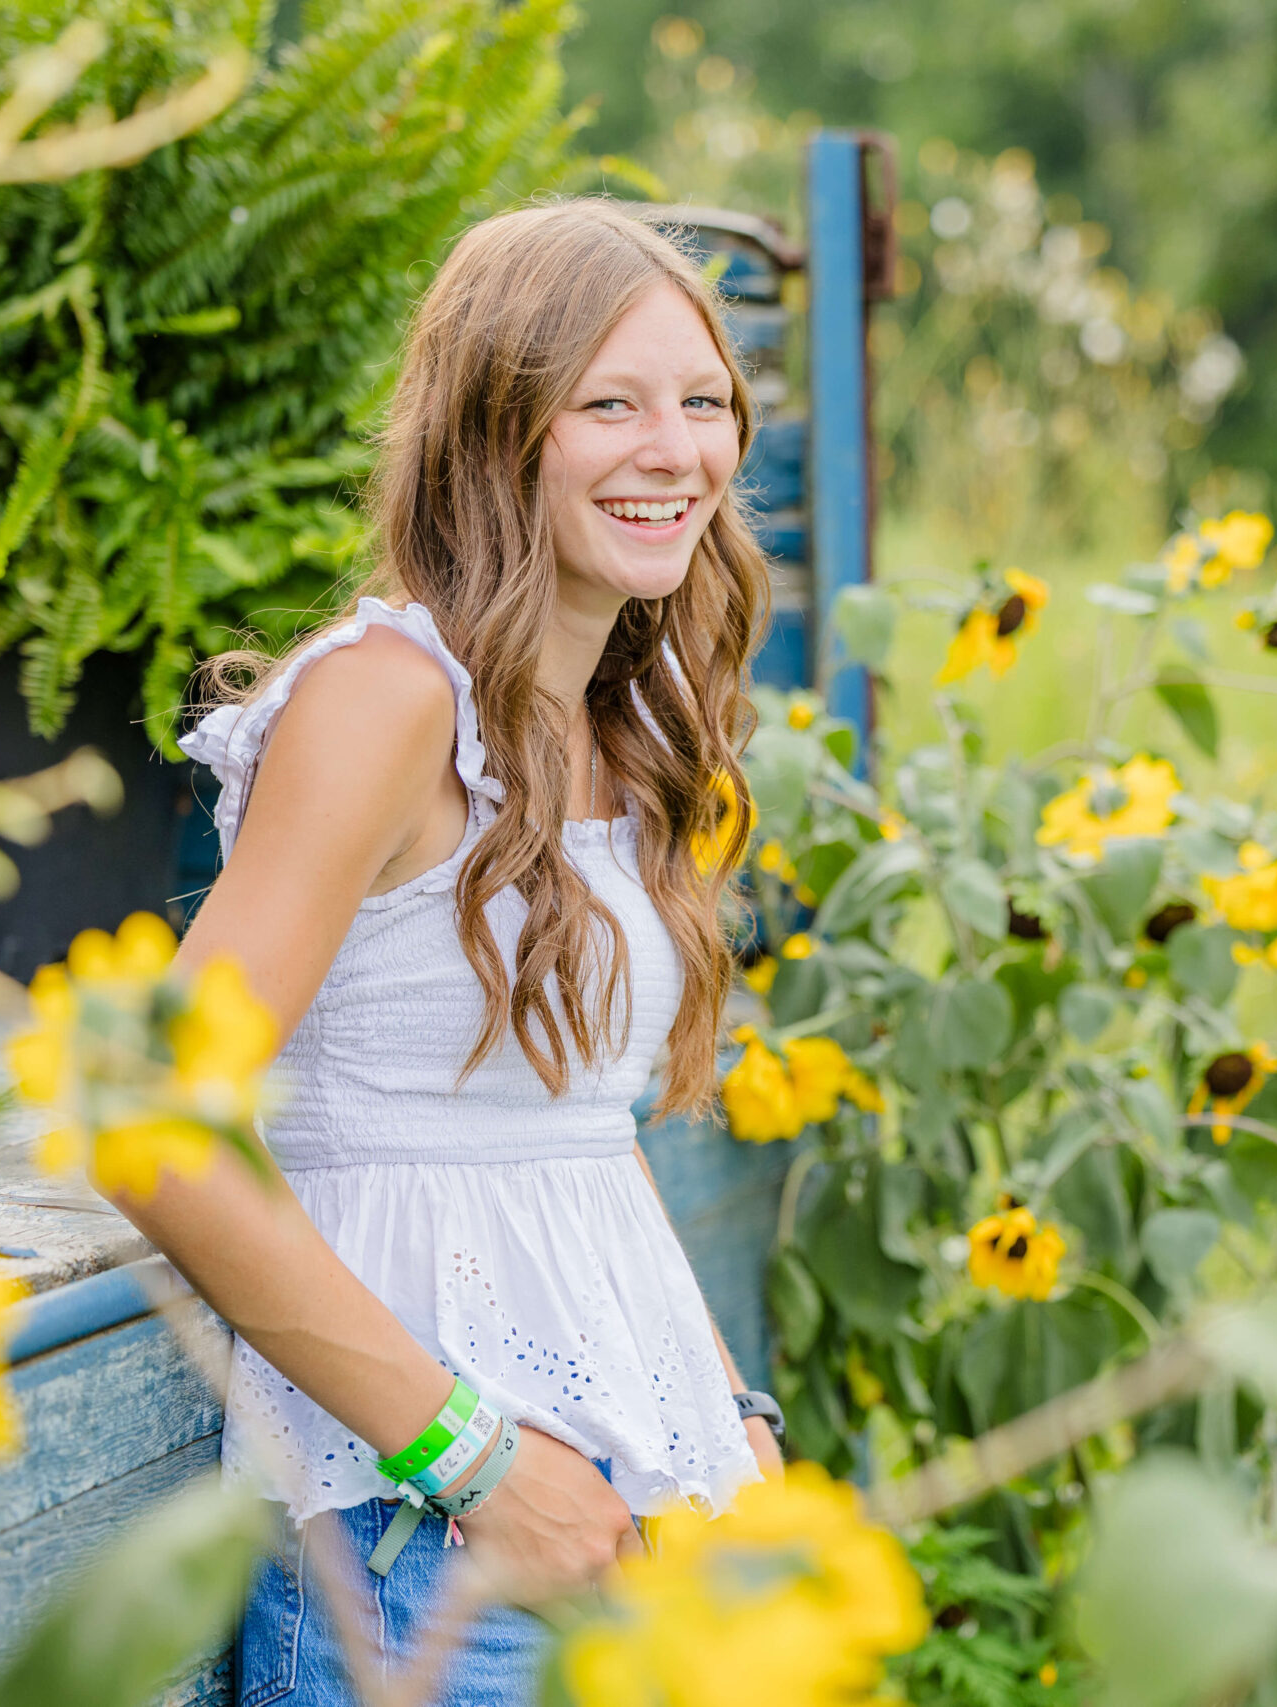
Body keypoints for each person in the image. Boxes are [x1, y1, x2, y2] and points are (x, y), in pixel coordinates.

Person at [125, 199, 782, 1707]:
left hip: (630, 1506)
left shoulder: (621, 717)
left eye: (702, 402)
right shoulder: (385, 699)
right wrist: (472, 1457)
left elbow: (564, 1132)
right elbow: (146, 1119)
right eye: (607, 404)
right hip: (428, 1536)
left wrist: (719, 1401)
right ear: (495, 431)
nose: (674, 449)